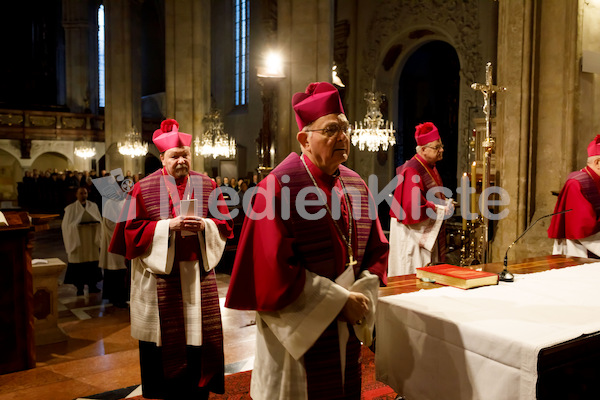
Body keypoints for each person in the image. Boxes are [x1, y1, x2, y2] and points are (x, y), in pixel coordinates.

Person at [225, 82, 389, 399]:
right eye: (331, 130)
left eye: (345, 129)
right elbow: (272, 272)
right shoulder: (277, 188)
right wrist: (339, 302)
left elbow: (376, 250)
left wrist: (361, 293)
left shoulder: (356, 184)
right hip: (296, 337)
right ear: (305, 139)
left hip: (346, 326)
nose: (342, 137)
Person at [109, 119, 234, 399]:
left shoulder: (207, 183)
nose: (181, 160)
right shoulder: (142, 187)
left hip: (198, 276)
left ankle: (199, 388)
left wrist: (206, 226)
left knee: (200, 338)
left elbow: (224, 223)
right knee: (165, 345)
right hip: (161, 277)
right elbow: (129, 232)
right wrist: (167, 227)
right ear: (162, 158)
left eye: (185, 154)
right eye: (174, 155)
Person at [387, 122, 454, 277]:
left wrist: (444, 204)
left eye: (441, 146)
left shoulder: (429, 166)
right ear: (423, 149)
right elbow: (414, 209)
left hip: (420, 235)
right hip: (411, 237)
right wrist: (441, 209)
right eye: (437, 147)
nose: (441, 150)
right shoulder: (412, 169)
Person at [548, 134, 600, 257]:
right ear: (598, 162)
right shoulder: (577, 184)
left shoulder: (596, 180)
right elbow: (583, 228)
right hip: (581, 251)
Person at [61, 186, 103, 295]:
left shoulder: (93, 206)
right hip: (78, 240)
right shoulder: (70, 208)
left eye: (85, 193)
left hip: (90, 238)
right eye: (81, 193)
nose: (83, 195)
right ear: (76, 195)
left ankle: (92, 285)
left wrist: (97, 224)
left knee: (92, 261)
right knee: (79, 263)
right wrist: (75, 226)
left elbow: (100, 221)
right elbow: (65, 226)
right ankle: (79, 287)